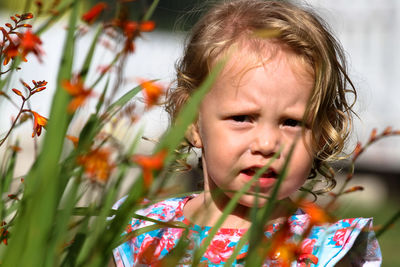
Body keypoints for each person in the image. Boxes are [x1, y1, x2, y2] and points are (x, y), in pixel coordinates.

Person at [112, 0, 382, 266]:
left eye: (291, 122)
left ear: (322, 133)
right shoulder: (144, 232)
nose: (266, 144)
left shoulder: (324, 249)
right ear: (192, 122)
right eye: (242, 118)